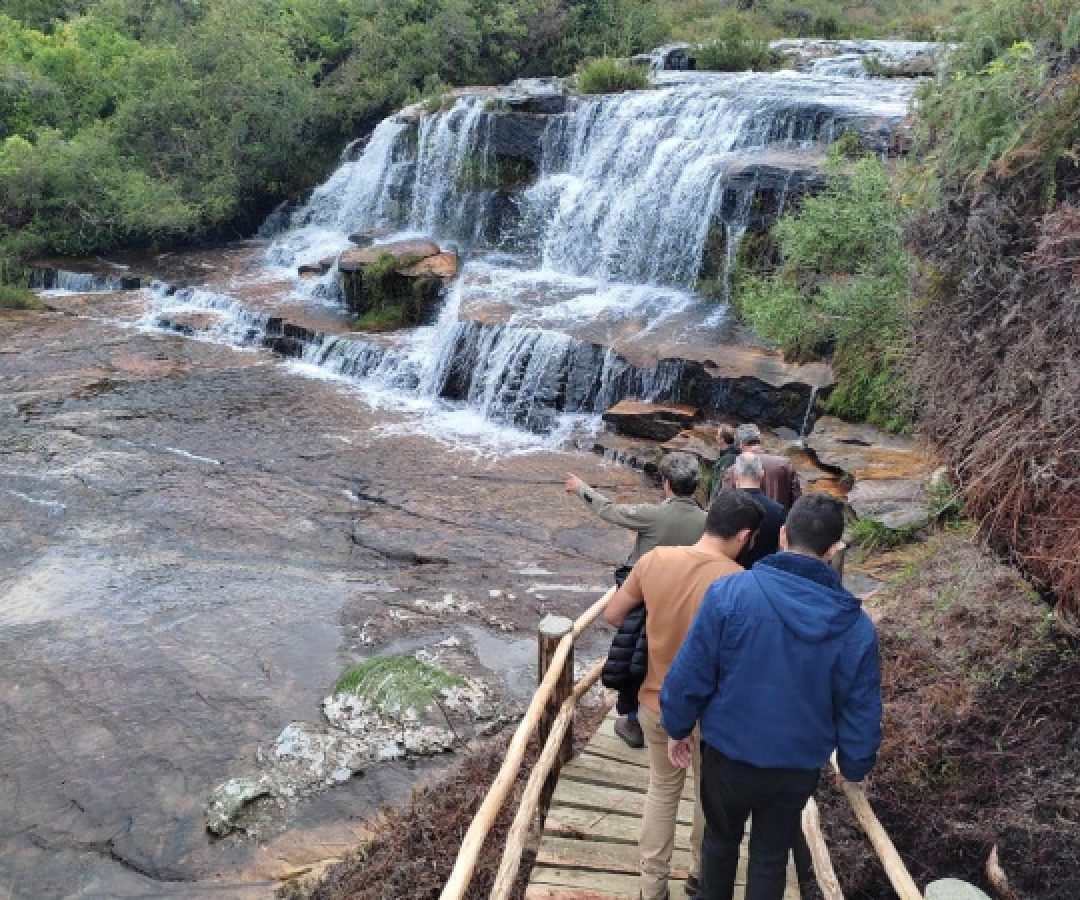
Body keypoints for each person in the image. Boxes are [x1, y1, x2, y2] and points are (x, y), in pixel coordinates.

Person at [661, 494, 883, 900]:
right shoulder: (855, 628)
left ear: (782, 535)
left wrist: (677, 726)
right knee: (771, 854)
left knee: (720, 841)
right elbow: (860, 709)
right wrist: (855, 764)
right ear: (833, 551)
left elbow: (691, 671)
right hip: (796, 766)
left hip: (728, 752)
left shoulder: (730, 593)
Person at [604, 491, 764, 900]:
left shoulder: (655, 560)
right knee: (706, 795)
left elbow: (613, 614)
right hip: (712, 713)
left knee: (661, 791)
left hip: (655, 702)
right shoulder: (740, 583)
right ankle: (697, 876)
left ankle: (652, 887)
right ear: (744, 535)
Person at [566, 452, 705, 748]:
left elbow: (611, 511)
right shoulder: (707, 521)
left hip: (646, 600)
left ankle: (633, 723)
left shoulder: (654, 515)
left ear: (666, 484)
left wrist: (581, 488)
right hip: (686, 603)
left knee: (636, 660)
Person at [720, 424, 801, 509]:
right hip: (779, 520)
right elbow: (797, 502)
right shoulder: (784, 464)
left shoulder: (733, 470)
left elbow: (724, 504)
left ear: (741, 444)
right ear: (759, 441)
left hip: (746, 521)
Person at [730, 452, 786, 568]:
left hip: (728, 574)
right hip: (764, 574)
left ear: (735, 474)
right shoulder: (778, 511)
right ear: (762, 474)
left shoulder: (723, 506)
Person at [708, 424, 739, 503]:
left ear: (722, 440)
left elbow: (719, 484)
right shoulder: (726, 454)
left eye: (717, 435)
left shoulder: (729, 459)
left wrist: (712, 503)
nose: (715, 437)